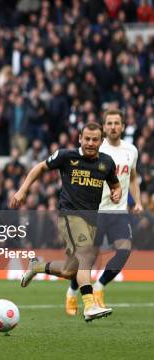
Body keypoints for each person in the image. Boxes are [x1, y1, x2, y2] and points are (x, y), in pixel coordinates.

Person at [9, 122, 121, 322]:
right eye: (87, 138)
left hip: (92, 221)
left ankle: (36, 267)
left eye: (95, 139)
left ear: (101, 141)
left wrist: (117, 192)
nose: (90, 143)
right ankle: (89, 305)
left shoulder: (107, 162)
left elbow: (115, 183)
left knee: (71, 271)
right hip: (70, 215)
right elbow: (40, 168)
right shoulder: (66, 156)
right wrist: (23, 189)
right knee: (86, 253)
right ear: (80, 138)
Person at [65, 110, 142, 315]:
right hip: (95, 211)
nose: (113, 127)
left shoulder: (131, 150)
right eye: (109, 123)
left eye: (117, 123)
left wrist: (138, 202)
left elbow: (133, 177)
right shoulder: (96, 148)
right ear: (104, 126)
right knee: (88, 258)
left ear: (123, 126)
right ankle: (71, 293)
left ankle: (98, 288)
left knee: (124, 250)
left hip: (118, 212)